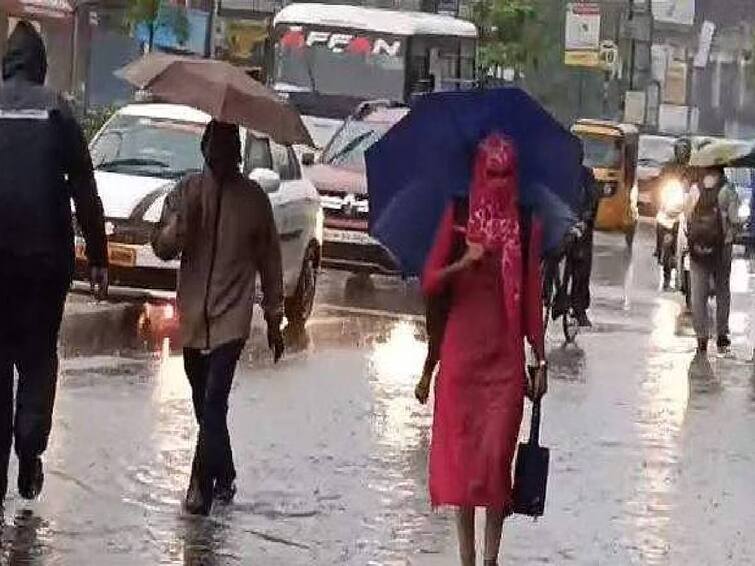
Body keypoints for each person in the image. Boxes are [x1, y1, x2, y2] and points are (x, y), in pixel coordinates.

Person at [420, 134, 546, 566]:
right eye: (491, 174)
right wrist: (464, 261)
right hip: (461, 361)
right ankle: (467, 558)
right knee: (462, 464)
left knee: (495, 463)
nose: (497, 183)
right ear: (477, 171)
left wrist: (539, 357)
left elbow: (532, 298)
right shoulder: (457, 217)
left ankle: (492, 558)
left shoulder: (527, 225)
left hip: (506, 363)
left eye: (505, 175)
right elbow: (430, 282)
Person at [152, 120, 285, 516]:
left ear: (237, 153)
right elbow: (160, 247)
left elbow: (271, 261)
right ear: (204, 149)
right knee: (201, 403)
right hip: (193, 316)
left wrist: (275, 317)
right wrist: (177, 229)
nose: (220, 155)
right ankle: (224, 471)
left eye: (228, 148)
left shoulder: (254, 200)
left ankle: (200, 484)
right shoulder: (186, 192)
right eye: (214, 147)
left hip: (232, 318)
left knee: (214, 402)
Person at [0, 21, 108, 505]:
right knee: (39, 356)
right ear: (41, 65)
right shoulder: (57, 111)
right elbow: (85, 191)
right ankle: (29, 443)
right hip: (46, 263)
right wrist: (99, 260)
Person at [685, 166, 741, 355]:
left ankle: (701, 337)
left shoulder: (695, 189)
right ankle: (722, 335)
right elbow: (735, 219)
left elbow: (686, 215)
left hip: (698, 247)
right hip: (722, 247)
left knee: (698, 294)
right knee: (722, 290)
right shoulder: (728, 190)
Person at [569, 164, 600, 327]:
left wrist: (585, 219)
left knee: (582, 262)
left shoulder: (586, 174)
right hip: (558, 221)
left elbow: (593, 199)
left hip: (580, 223)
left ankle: (579, 308)